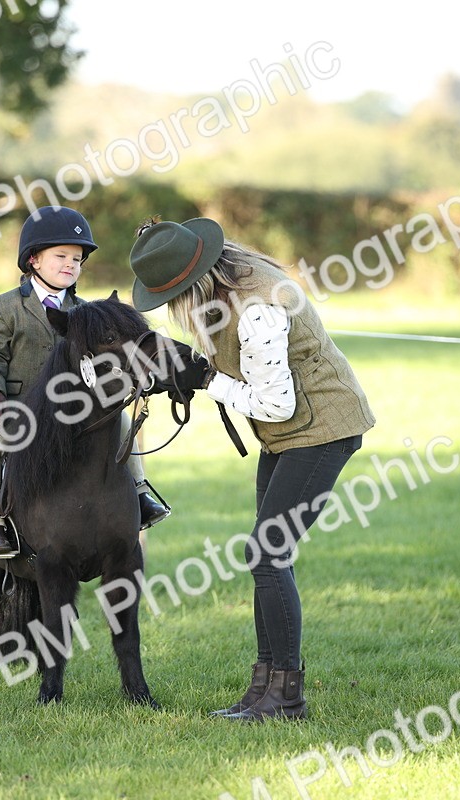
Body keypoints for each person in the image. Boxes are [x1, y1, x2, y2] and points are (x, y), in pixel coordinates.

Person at [128, 217, 375, 721]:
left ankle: (286, 697)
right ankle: (263, 689)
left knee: (267, 554)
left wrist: (202, 379)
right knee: (265, 554)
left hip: (321, 427)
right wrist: (185, 369)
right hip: (289, 432)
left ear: (189, 285)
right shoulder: (230, 278)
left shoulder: (258, 308)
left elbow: (275, 405)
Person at [0, 206, 171, 559]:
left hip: (73, 411)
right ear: (33, 259)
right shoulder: (5, 307)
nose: (70, 264)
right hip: (19, 411)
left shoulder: (86, 310)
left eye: (77, 259)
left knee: (122, 421)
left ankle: (140, 493)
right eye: (61, 256)